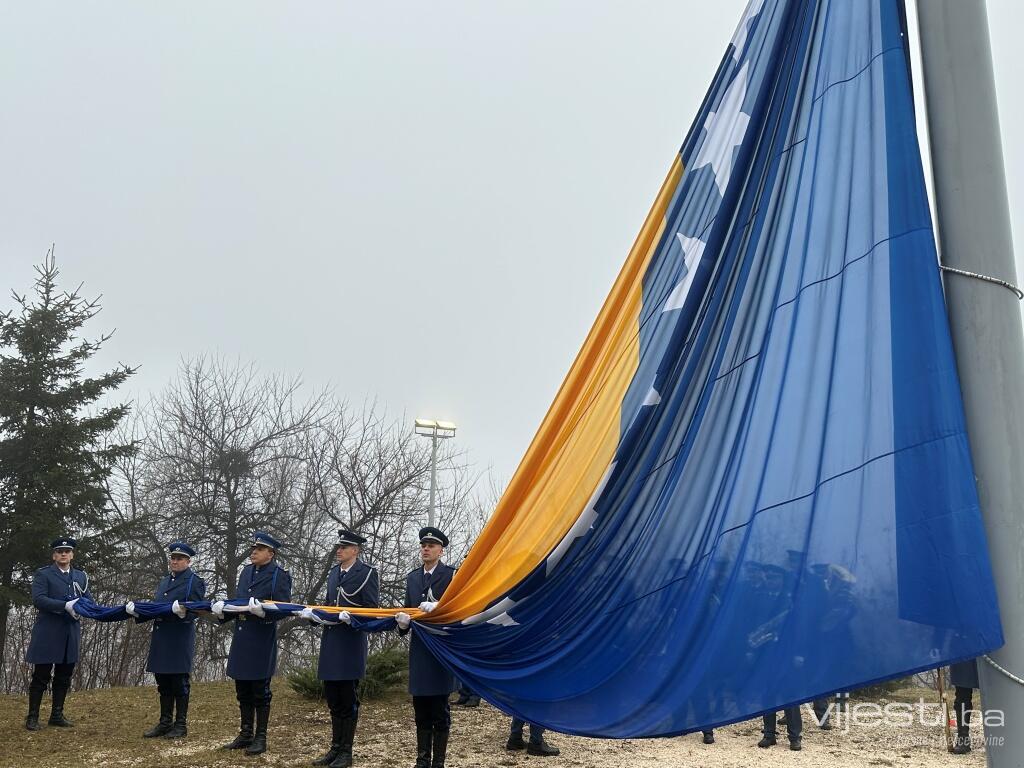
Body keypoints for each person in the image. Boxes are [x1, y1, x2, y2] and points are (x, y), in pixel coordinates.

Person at [215, 531, 292, 756]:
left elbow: (283, 609)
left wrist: (264, 614)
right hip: (242, 635)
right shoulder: (246, 572)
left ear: (271, 553)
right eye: (253, 549)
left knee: (260, 690)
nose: (254, 552)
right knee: (242, 689)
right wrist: (224, 610)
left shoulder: (279, 575)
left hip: (261, 636)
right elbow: (240, 601)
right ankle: (245, 733)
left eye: (259, 550)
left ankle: (261, 737)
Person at [312, 529, 380, 768]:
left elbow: (372, 610)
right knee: (333, 697)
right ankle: (335, 748)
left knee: (348, 697)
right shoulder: (334, 573)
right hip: (331, 641)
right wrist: (315, 615)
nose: (339, 551)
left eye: (344, 547)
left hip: (351, 642)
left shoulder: (368, 573)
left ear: (355, 550)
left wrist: (352, 618)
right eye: (338, 547)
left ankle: (346, 751)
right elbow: (330, 604)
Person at [129, 541, 206, 739]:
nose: (175, 561)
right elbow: (158, 606)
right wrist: (139, 612)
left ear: (188, 561)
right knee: (162, 680)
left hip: (179, 635)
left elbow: (197, 610)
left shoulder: (194, 581)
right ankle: (165, 722)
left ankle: (180, 724)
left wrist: (183, 614)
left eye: (179, 559)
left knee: (179, 682)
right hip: (162, 634)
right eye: (173, 558)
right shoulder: (165, 581)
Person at [395, 527, 458, 768]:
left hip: (440, 651)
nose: (426, 549)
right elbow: (408, 611)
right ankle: (422, 761)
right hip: (420, 651)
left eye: (431, 545)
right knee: (420, 708)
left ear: (441, 550)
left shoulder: (451, 575)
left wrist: (441, 607)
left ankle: (438, 762)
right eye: (423, 545)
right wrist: (402, 624)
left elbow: (459, 612)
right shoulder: (413, 577)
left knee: (439, 710)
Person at [25, 536, 91, 731]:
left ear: (72, 554)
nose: (63, 554)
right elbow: (39, 600)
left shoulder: (81, 576)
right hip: (48, 631)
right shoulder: (43, 575)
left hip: (70, 631)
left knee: (64, 676)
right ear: (54, 555)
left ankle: (57, 715)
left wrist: (96, 610)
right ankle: (33, 717)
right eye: (59, 552)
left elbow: (88, 600)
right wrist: (65, 605)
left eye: (67, 551)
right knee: (41, 676)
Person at [949, 659, 979, 754]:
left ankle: (1000, 734)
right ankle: (963, 739)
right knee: (962, 695)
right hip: (963, 652)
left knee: (997, 692)